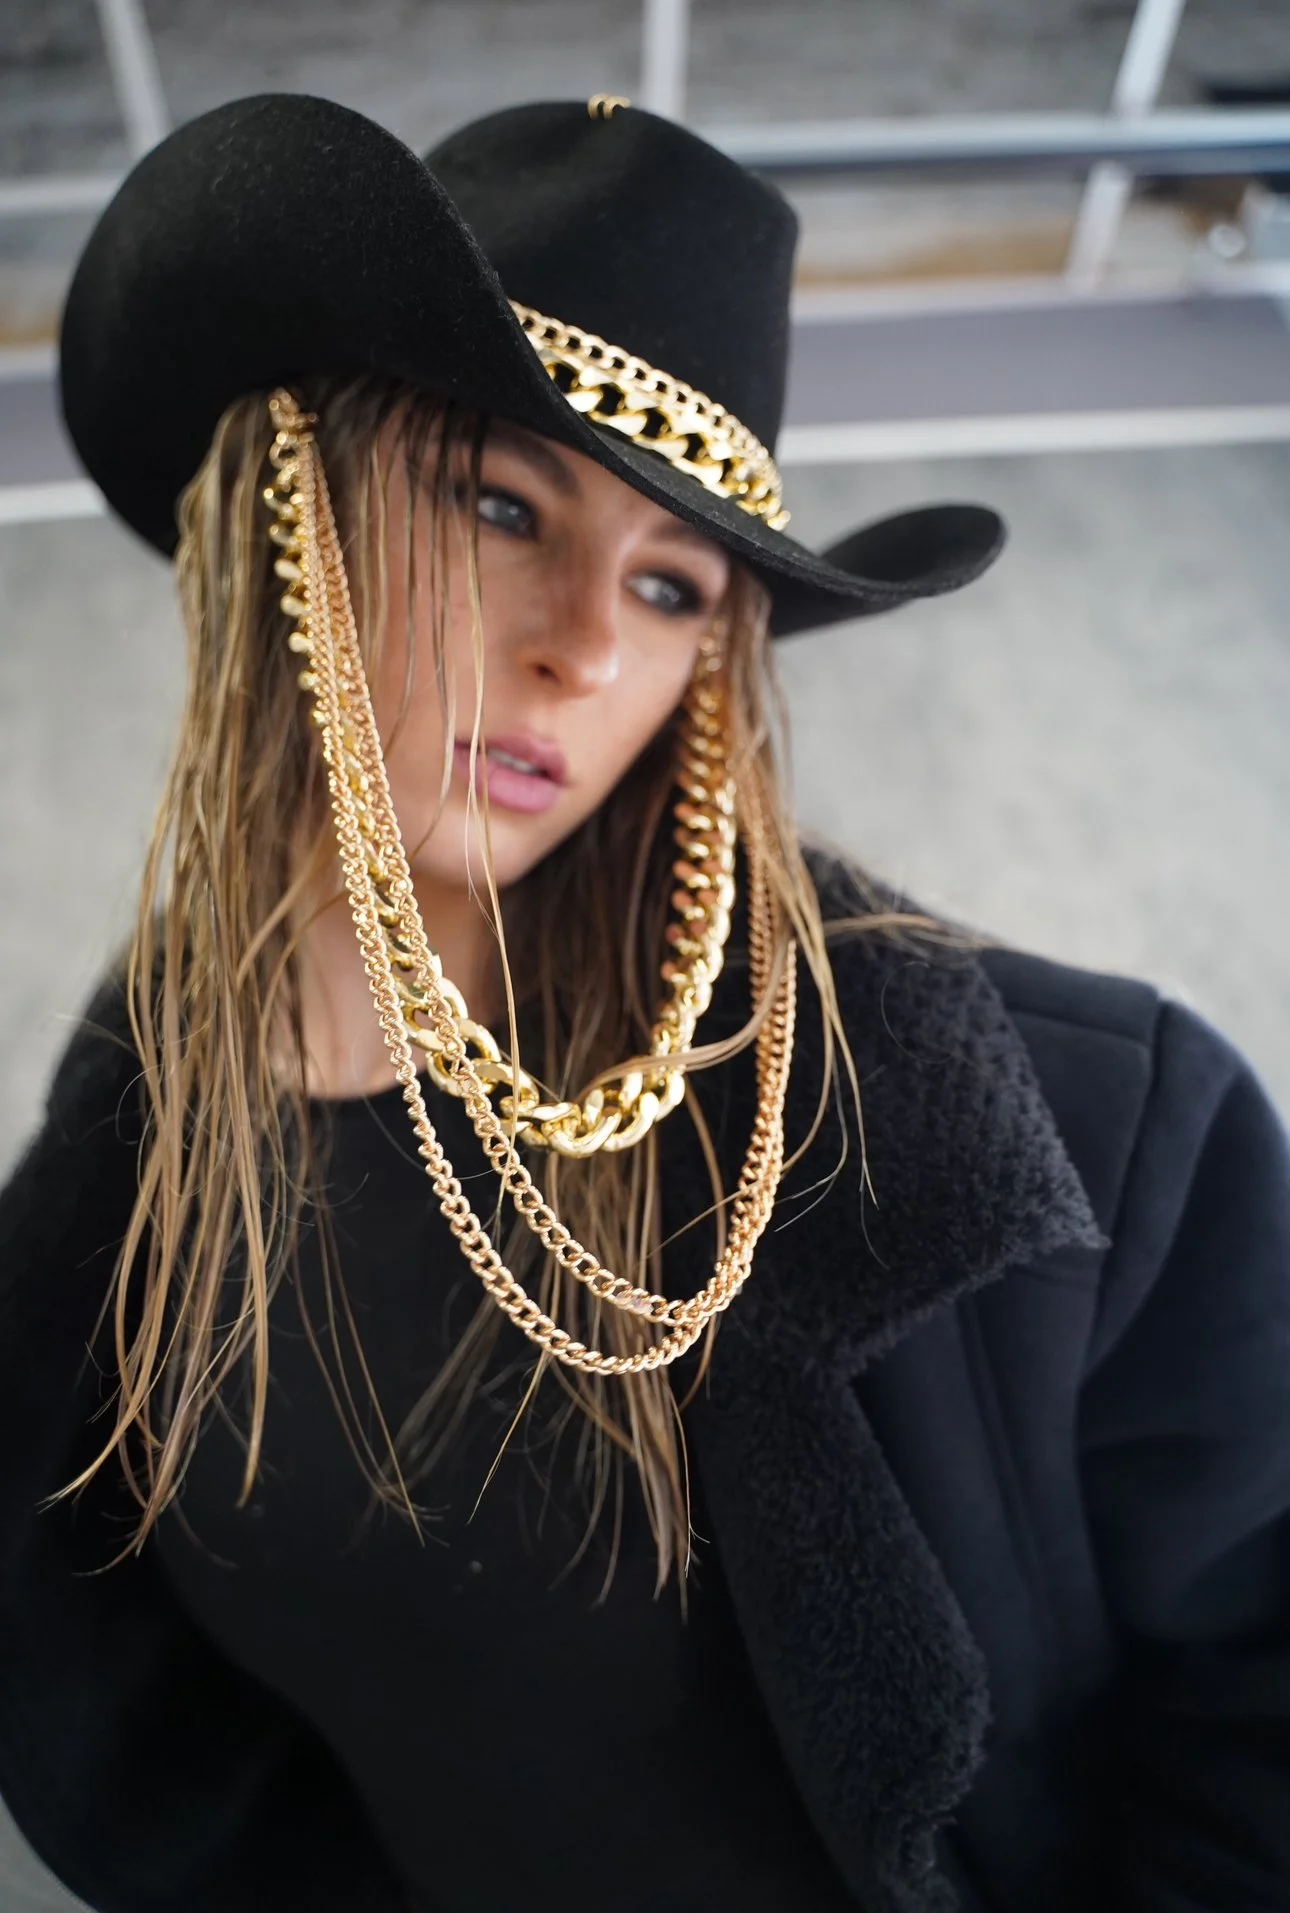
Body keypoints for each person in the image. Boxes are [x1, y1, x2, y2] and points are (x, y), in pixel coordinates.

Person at [0, 90, 1287, 1913]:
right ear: (298, 512)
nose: (586, 648)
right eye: (500, 500)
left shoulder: (1096, 1135)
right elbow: (158, 1738)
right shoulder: (130, 1145)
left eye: (672, 583)